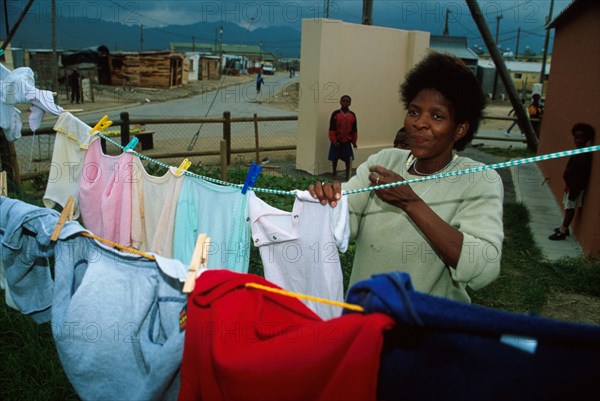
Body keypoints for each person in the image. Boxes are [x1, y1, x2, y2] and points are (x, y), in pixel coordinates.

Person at [310, 52, 504, 303]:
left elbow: (484, 268)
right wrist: (327, 203)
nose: (419, 123)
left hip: (426, 333)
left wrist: (411, 204)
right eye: (414, 112)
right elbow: (345, 219)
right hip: (365, 323)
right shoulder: (384, 162)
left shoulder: (478, 180)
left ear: (460, 129)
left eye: (437, 116)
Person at [549, 123, 595, 241]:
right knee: (568, 207)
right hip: (570, 185)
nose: (578, 140)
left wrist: (574, 189)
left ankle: (562, 231)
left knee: (570, 208)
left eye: (582, 138)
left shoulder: (584, 154)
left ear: (588, 139)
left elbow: (581, 175)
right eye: (576, 137)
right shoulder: (578, 151)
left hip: (575, 187)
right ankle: (565, 226)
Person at [328, 95, 358, 180]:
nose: (345, 103)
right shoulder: (335, 114)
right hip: (337, 141)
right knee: (335, 158)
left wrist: (354, 141)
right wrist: (333, 140)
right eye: (343, 101)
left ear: (350, 103)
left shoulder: (352, 115)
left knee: (348, 159)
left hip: (347, 141)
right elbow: (332, 128)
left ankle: (347, 174)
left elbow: (354, 129)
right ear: (340, 102)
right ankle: (334, 173)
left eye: (347, 101)